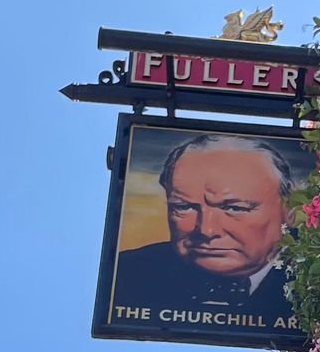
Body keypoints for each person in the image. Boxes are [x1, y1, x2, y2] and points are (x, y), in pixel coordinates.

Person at [110, 133, 300, 331]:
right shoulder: (126, 274)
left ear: (289, 210)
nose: (206, 230)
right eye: (183, 207)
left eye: (234, 208)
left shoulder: (319, 272)